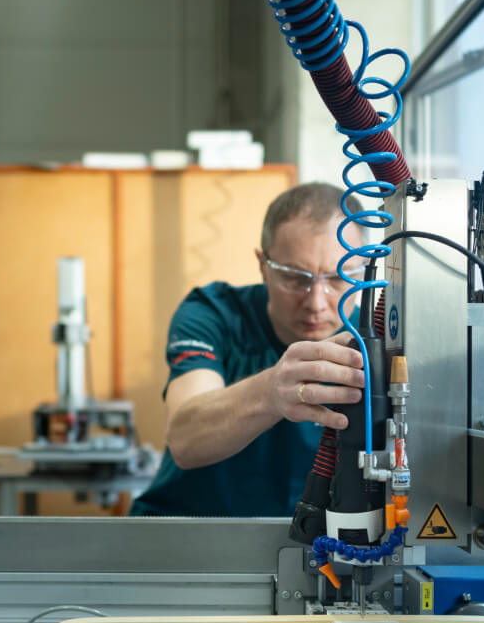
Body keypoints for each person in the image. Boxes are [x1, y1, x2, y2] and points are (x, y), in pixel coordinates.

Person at [131, 182, 368, 517]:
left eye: (338, 278)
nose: (317, 302)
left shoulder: (373, 339)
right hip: (186, 532)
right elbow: (185, 439)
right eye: (296, 279)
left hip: (305, 545)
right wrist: (270, 393)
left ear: (363, 274)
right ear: (263, 265)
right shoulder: (214, 313)